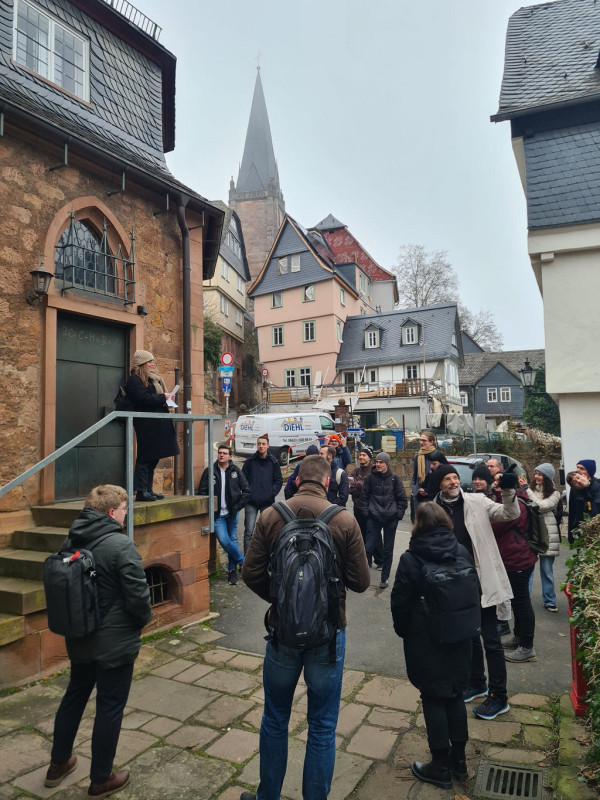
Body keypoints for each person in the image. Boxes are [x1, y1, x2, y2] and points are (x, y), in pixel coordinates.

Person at [240, 455, 370, 800]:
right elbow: (360, 583)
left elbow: (250, 573)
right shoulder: (344, 520)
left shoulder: (271, 515)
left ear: (296, 481)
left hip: (282, 635)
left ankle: (267, 796)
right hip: (327, 637)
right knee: (323, 727)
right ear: (327, 483)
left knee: (275, 719)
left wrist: (281, 600)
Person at [44, 485, 152, 798]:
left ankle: (58, 763)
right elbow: (139, 596)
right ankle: (101, 779)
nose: (125, 513)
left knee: (74, 696)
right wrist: (140, 622)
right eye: (124, 509)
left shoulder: (72, 539)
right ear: (111, 512)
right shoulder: (121, 545)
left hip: (80, 636)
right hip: (115, 644)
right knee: (110, 707)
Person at [391, 503, 476, 790]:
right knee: (455, 694)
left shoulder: (412, 558)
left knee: (433, 697)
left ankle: (439, 765)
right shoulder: (461, 550)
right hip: (461, 635)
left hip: (426, 639)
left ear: (418, 525)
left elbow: (400, 602)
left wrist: (404, 632)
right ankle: (460, 762)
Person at [429, 464, 518, 720]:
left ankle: (499, 696)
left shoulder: (478, 500)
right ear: (439, 484)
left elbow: (508, 513)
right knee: (469, 638)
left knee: (491, 640)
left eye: (455, 477)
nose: (453, 482)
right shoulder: (433, 509)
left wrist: (509, 491)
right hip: (454, 585)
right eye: (447, 478)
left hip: (481, 581)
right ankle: (477, 682)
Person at [489, 475, 538, 663]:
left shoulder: (516, 503)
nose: (497, 484)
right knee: (518, 600)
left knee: (522, 602)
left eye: (500, 482)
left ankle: (527, 647)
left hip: (518, 559)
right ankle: (519, 637)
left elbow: (496, 526)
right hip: (516, 557)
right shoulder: (513, 498)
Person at [125, 350, 179, 502]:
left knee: (154, 457)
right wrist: (164, 397)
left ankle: (148, 489)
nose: (153, 364)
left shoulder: (154, 379)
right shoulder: (134, 380)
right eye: (150, 362)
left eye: (153, 361)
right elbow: (143, 398)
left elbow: (152, 398)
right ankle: (141, 491)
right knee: (145, 457)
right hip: (146, 424)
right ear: (141, 364)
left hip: (157, 423)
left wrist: (168, 399)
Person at [197, 445, 250, 585]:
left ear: (230, 456)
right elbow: (202, 492)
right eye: (220, 453)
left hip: (232, 513)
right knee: (224, 541)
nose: (221, 455)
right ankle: (243, 562)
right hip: (218, 515)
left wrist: (237, 507)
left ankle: (232, 572)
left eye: (224, 453)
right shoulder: (210, 471)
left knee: (232, 539)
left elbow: (247, 491)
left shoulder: (235, 471)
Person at [362, 452, 407, 589]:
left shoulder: (395, 479)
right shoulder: (370, 478)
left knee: (388, 549)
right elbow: (364, 497)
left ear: (387, 464)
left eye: (381, 462)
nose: (378, 464)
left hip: (390, 518)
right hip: (373, 517)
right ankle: (361, 576)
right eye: (377, 461)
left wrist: (398, 514)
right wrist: (366, 513)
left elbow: (402, 499)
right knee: (368, 547)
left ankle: (385, 578)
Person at [519, 463, 561, 612]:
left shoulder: (555, 494)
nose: (537, 477)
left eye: (540, 474)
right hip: (531, 535)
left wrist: (526, 490)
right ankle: (524, 600)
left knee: (547, 571)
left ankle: (550, 601)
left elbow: (541, 506)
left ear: (547, 478)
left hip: (547, 537)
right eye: (536, 473)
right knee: (526, 570)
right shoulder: (531, 490)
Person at [242, 435, 283, 553]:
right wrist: (248, 493)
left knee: (268, 532)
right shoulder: (250, 461)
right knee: (249, 531)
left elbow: (279, 480)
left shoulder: (273, 462)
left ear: (268, 446)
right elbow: (243, 480)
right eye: (259, 444)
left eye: (263, 444)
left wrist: (271, 493)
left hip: (267, 502)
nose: (261, 446)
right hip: (251, 502)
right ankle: (247, 560)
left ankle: (267, 560)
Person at [348, 447, 382, 568]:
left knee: (374, 534)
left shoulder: (374, 471)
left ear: (369, 457)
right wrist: (362, 484)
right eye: (360, 455)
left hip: (371, 508)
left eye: (364, 455)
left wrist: (359, 483)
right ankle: (366, 561)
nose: (361, 457)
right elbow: (350, 488)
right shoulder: (355, 471)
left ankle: (380, 560)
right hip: (358, 507)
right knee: (361, 534)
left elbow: (372, 489)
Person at [568, 460, 600, 542]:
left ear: (588, 473)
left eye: (582, 468)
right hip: (581, 532)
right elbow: (572, 512)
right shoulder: (574, 489)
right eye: (577, 467)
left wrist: (588, 487)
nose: (577, 470)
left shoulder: (598, 485)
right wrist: (570, 535)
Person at [410, 430, 437, 520]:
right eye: (420, 440)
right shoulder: (417, 456)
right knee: (419, 523)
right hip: (418, 495)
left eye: (424, 441)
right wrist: (414, 491)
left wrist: (428, 490)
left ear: (431, 442)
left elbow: (438, 477)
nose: (421, 443)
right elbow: (414, 476)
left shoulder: (437, 456)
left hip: (432, 495)